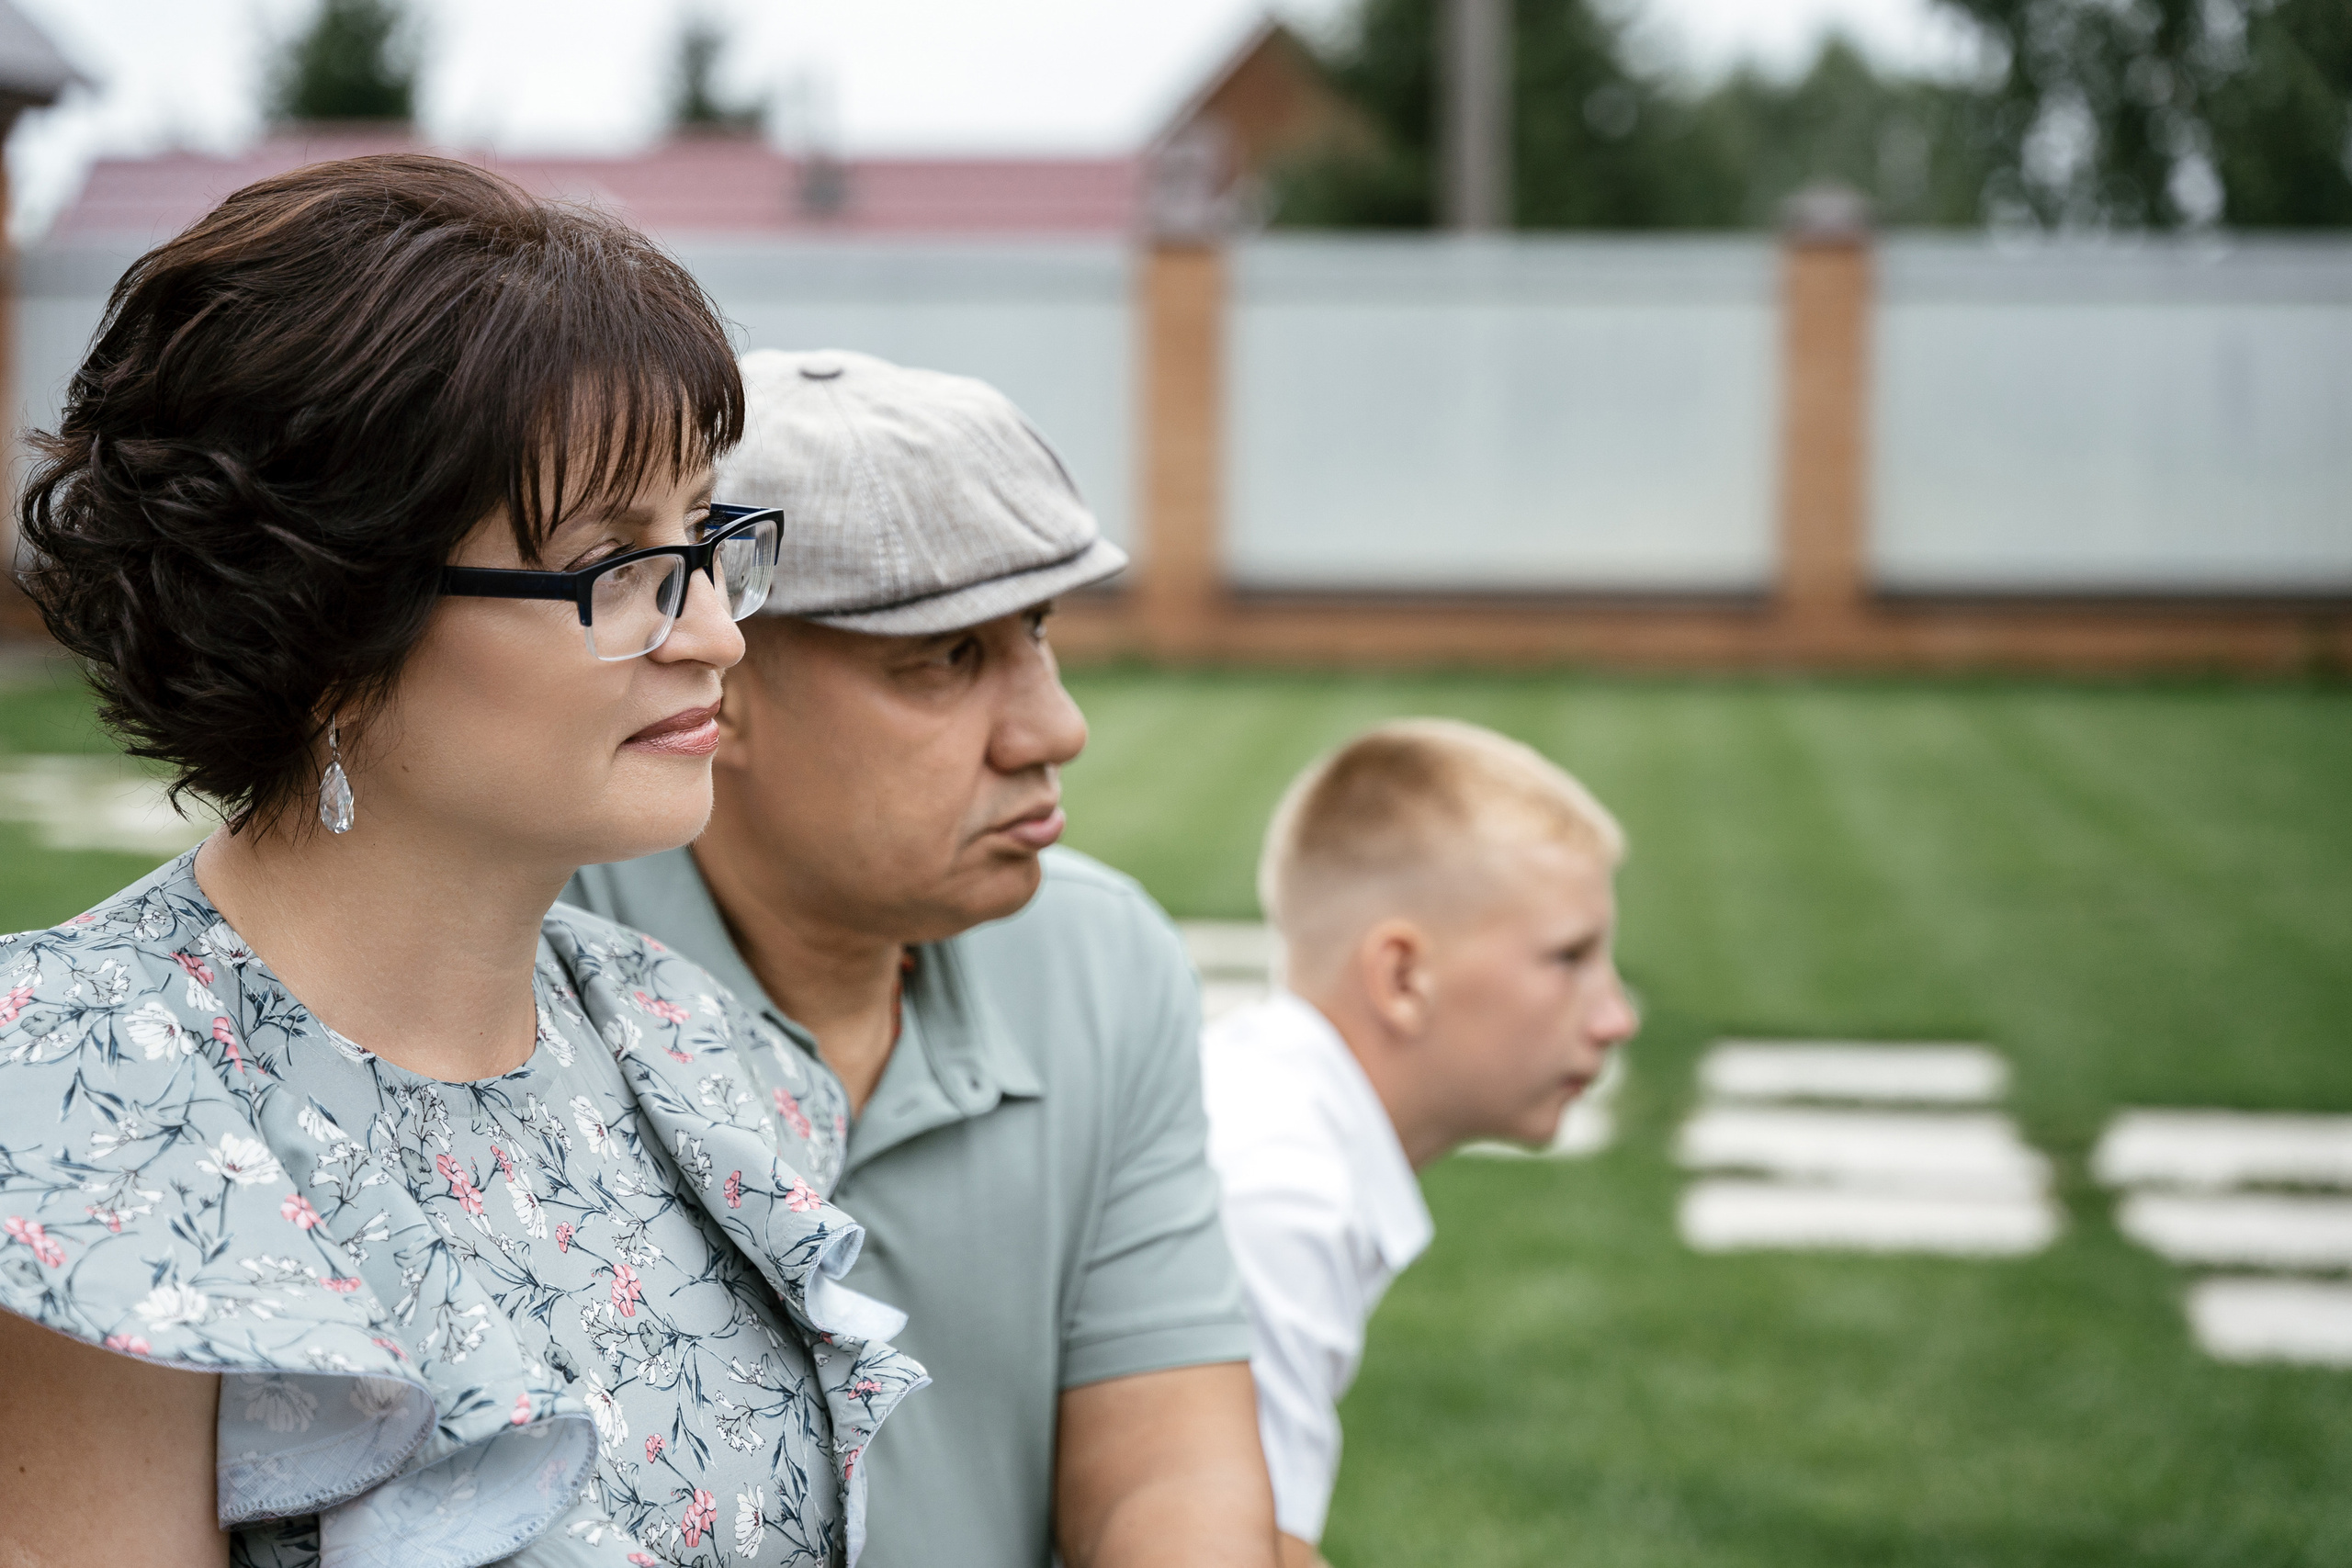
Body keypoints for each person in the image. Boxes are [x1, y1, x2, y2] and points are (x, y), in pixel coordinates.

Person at [0, 157, 922, 1568]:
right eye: (614, 561)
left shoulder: (686, 1047)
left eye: (703, 536)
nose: (716, 632)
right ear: (329, 619)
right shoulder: (83, 1108)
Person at [564, 349, 1278, 1568]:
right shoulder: (514, 978)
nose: (1056, 727)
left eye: (1036, 629)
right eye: (944, 657)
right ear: (720, 673)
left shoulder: (1101, 963)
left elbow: (1169, 1476)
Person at [1202, 718, 1641, 1567]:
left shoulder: (1271, 1127)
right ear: (1403, 977)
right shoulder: (1279, 1192)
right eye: (1568, 957)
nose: (1615, 1016)